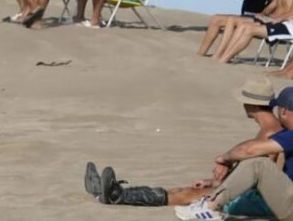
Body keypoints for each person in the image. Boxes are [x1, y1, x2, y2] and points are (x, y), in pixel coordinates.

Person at [86, 77, 281, 218]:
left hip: (260, 199)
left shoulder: (270, 133)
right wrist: (215, 180)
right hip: (257, 193)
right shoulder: (269, 130)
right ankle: (112, 193)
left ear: (250, 104)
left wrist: (222, 179)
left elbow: (258, 175)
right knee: (187, 191)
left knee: (188, 194)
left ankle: (115, 195)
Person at [173, 86, 293, 221]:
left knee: (257, 164)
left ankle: (209, 207)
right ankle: (209, 204)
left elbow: (248, 150)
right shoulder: (284, 135)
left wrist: (224, 159)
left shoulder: (287, 136)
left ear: (283, 111)